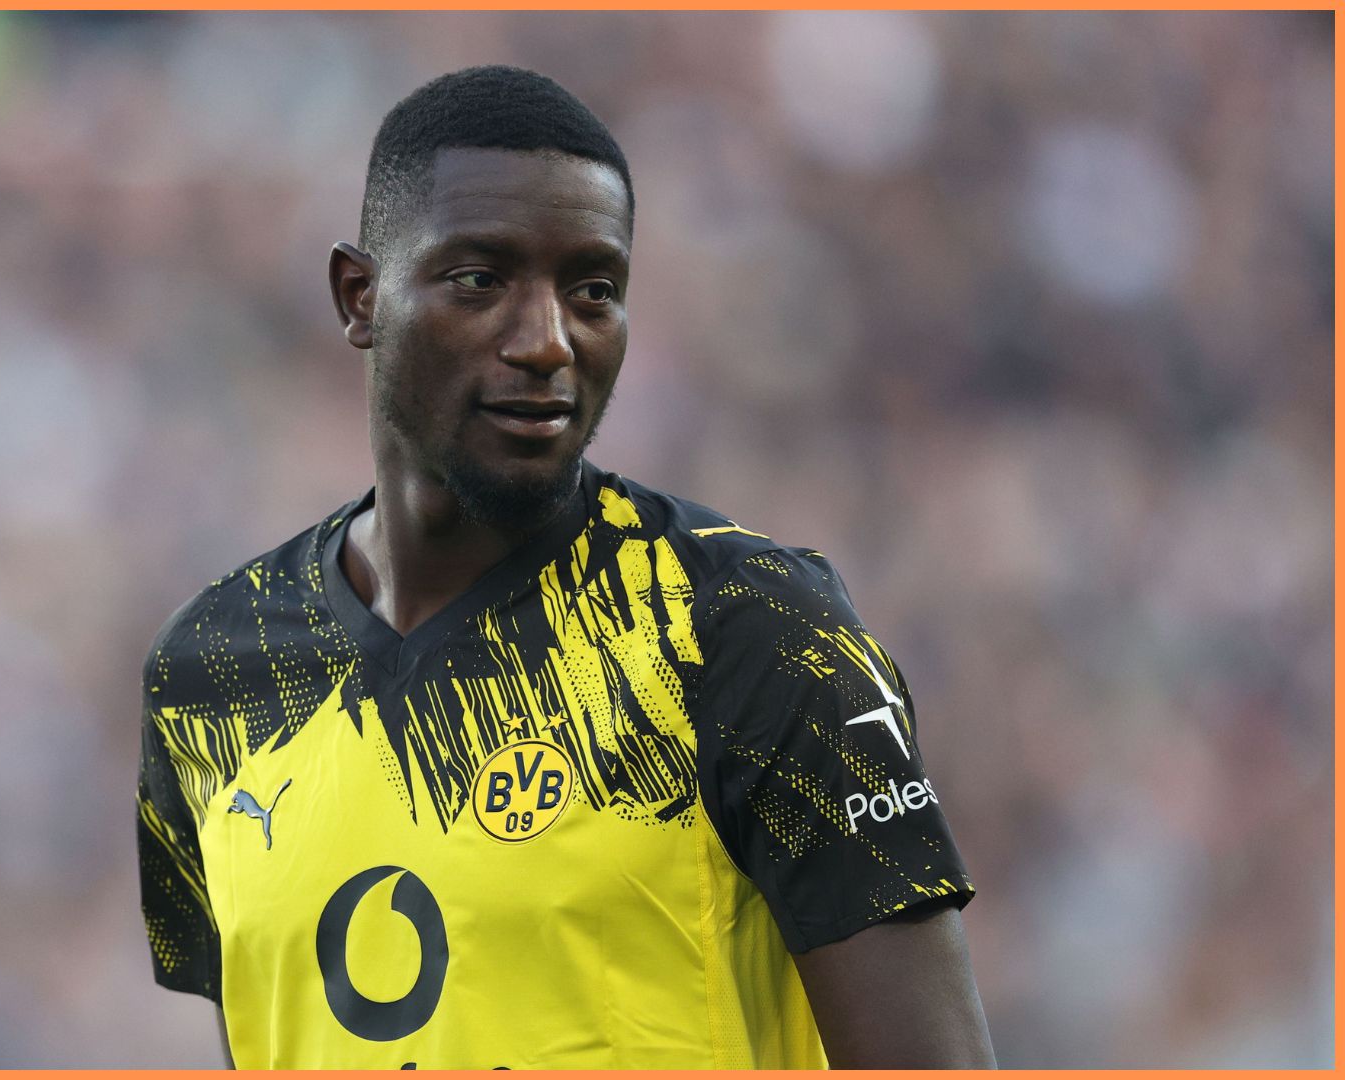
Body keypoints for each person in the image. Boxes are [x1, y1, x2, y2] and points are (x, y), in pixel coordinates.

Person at [135, 65, 993, 1069]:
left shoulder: (746, 631)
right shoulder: (208, 674)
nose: (547, 341)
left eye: (592, 290)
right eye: (480, 280)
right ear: (359, 296)